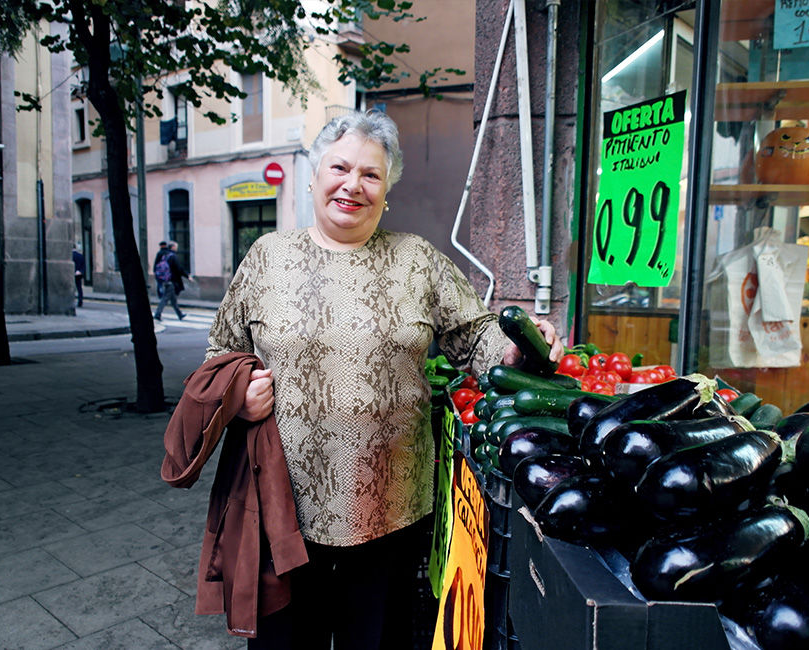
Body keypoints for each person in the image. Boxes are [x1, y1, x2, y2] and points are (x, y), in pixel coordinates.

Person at [203, 110, 563, 649]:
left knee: (376, 641)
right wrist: (238, 396)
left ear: (386, 189)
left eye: (370, 175)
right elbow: (220, 354)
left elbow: (476, 339)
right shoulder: (266, 259)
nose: (353, 185)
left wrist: (520, 343)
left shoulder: (416, 261)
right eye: (340, 168)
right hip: (282, 508)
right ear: (315, 175)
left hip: (388, 511)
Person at [154, 240, 187, 321]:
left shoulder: (163, 255)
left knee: (173, 299)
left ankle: (180, 314)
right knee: (165, 298)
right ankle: (157, 314)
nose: (177, 248)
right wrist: (187, 275)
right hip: (171, 281)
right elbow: (178, 268)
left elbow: (155, 267)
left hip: (164, 279)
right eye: (176, 247)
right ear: (173, 247)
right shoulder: (172, 256)